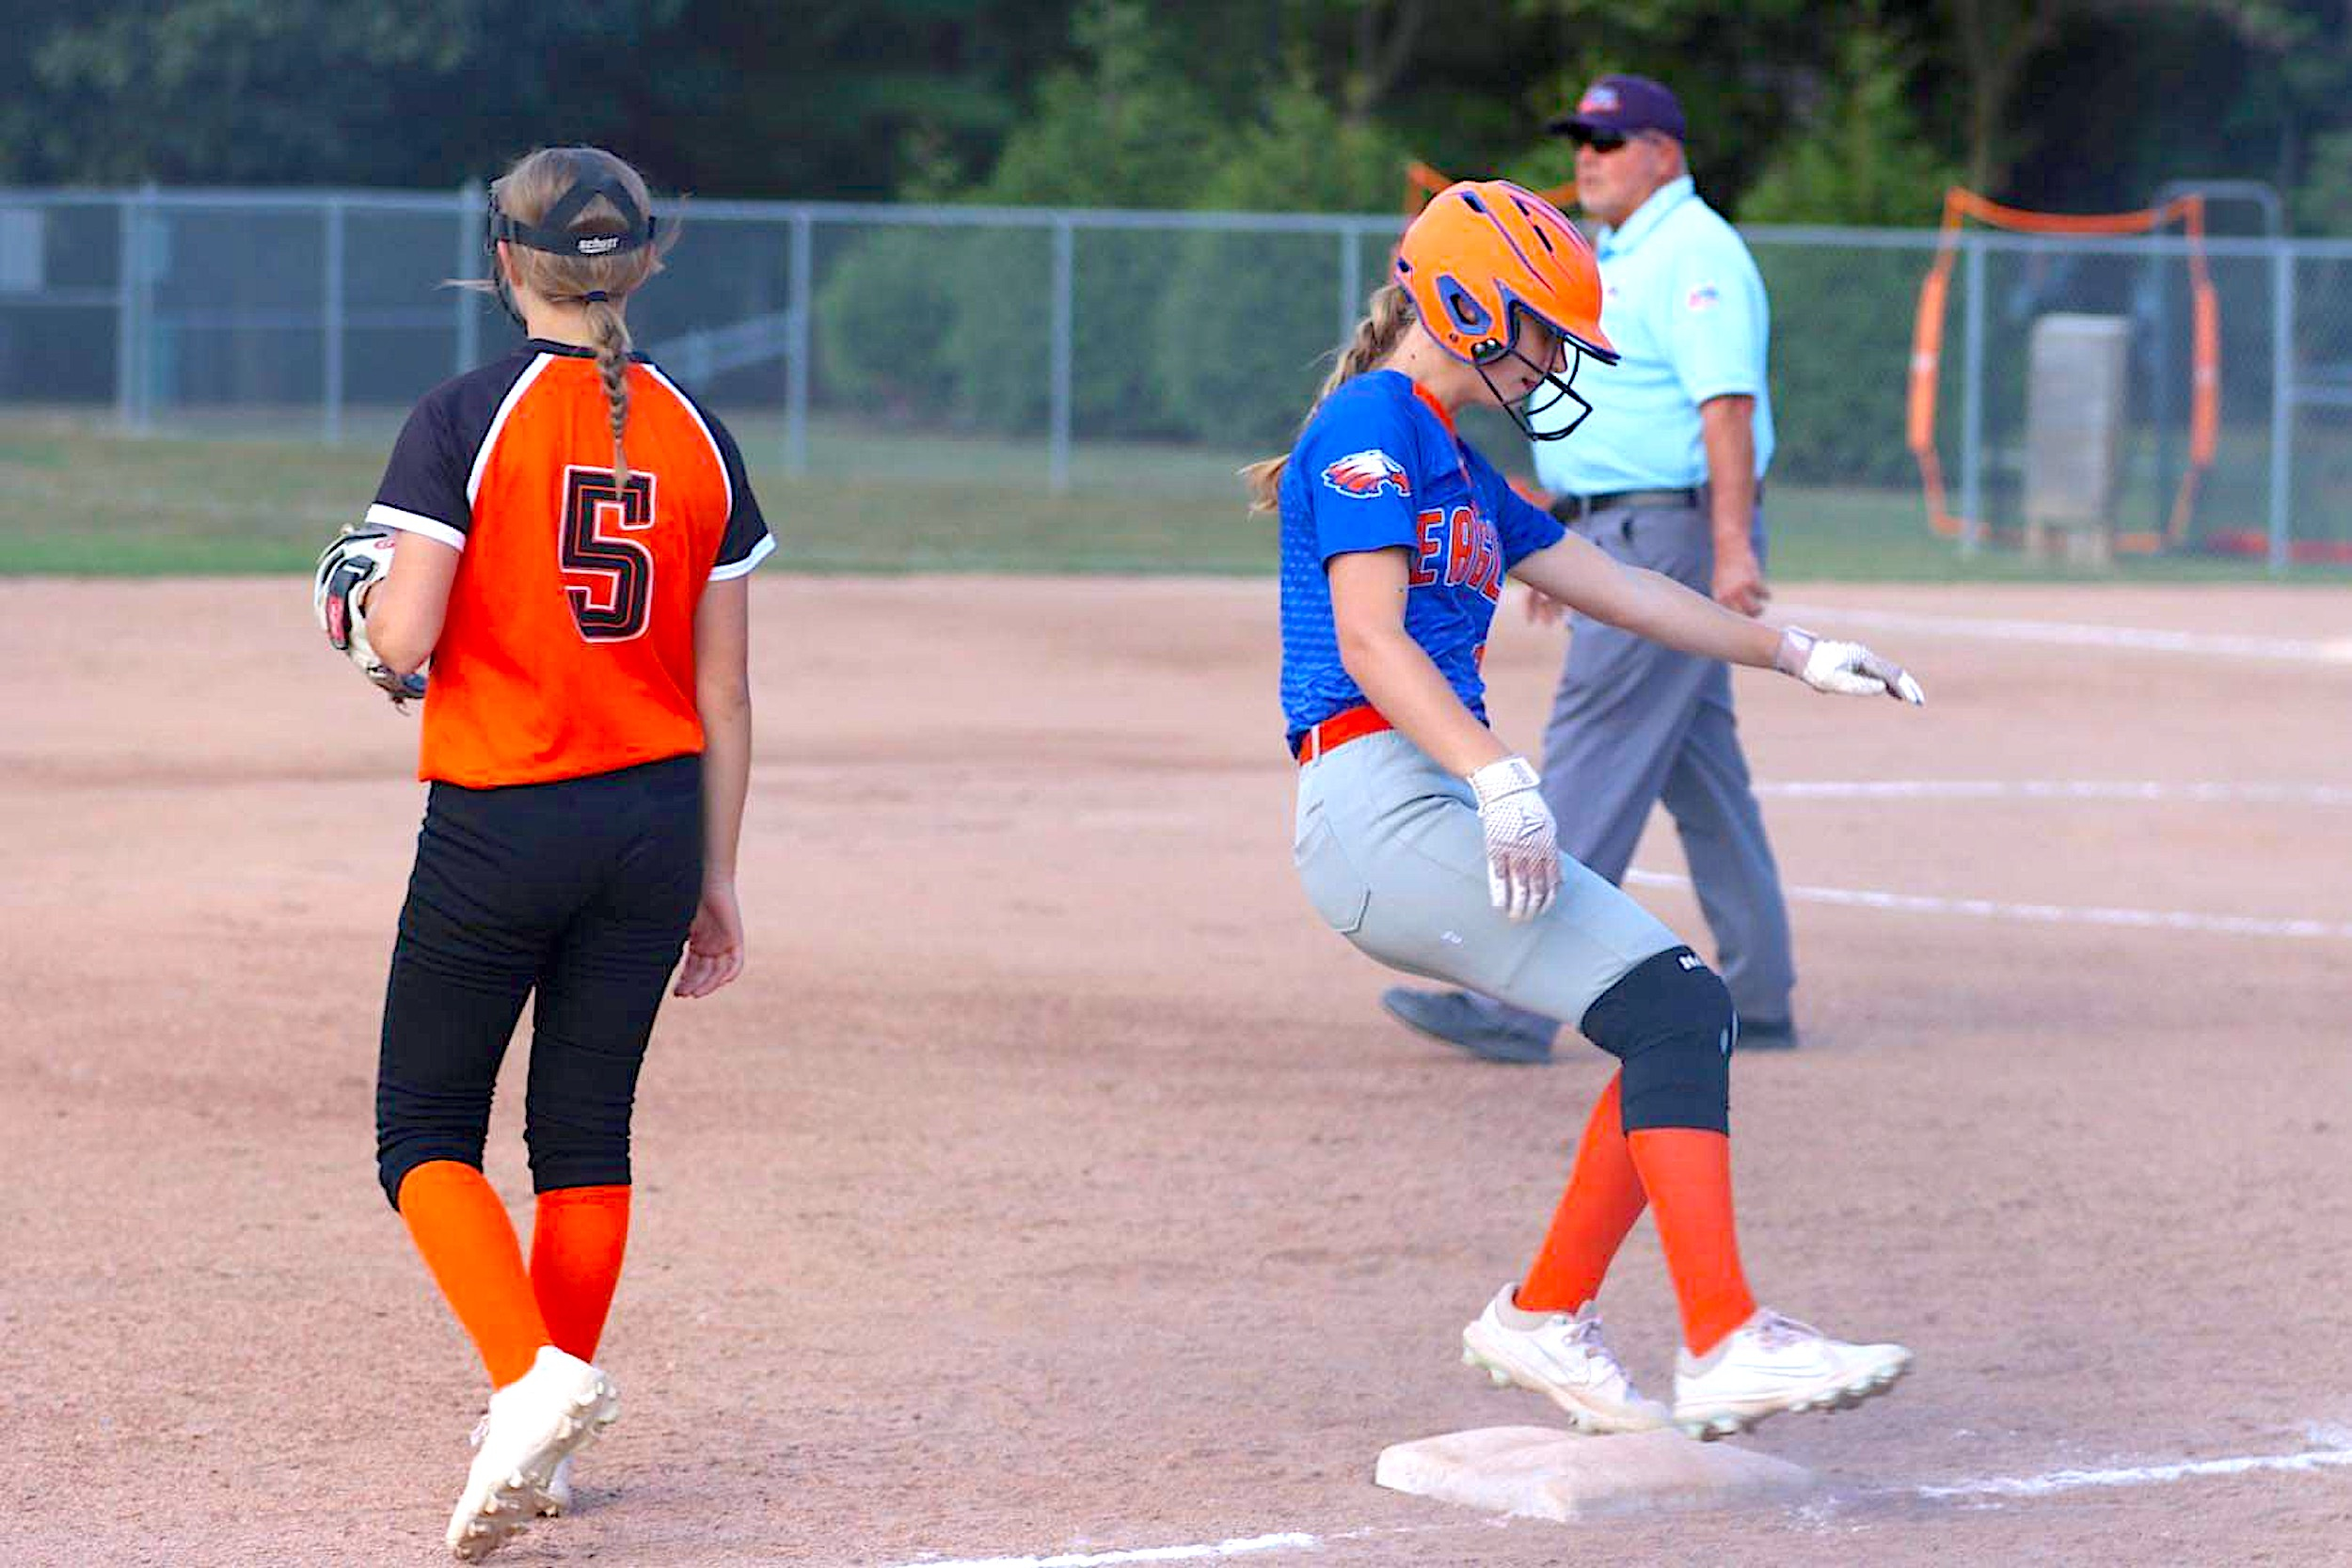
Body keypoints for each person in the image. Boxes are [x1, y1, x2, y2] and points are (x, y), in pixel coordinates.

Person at [1244, 180, 1917, 1438]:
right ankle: (1719, 1336)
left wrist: (1794, 652)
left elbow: (1621, 586)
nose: (1554, 362)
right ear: (1465, 304)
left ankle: (1550, 1313)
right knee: (1676, 1008)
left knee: (1679, 1012)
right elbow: (1371, 641)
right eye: (1544, 333)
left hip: (1418, 794)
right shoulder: (1371, 422)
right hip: (1379, 805)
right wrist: (1497, 772)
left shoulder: (1447, 452)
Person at [311, 145, 772, 1560]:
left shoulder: (465, 415)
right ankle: (545, 1441)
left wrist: (347, 605)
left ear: (503, 262)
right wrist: (716, 875)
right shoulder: (700, 434)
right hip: (654, 819)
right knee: (583, 1130)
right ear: (643, 262)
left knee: (422, 1129)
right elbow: (726, 693)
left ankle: (531, 1383)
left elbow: (405, 637)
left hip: (506, 812)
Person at [1381, 74, 1802, 1065]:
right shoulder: (1617, 251)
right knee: (1702, 773)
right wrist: (1557, 538)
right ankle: (1762, 992)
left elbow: (1726, 406)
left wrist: (1731, 547)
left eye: (1608, 141)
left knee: (1590, 752)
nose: (1587, 157)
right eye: (1580, 139)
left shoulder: (1695, 250)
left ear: (1664, 152)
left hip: (1666, 533)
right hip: (1617, 528)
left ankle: (1513, 1000)